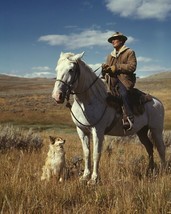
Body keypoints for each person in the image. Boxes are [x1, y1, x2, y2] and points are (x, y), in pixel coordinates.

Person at [102, 32, 137, 131]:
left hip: (124, 80)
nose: (113, 41)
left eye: (115, 39)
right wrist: (105, 69)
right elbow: (107, 70)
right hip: (111, 80)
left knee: (123, 93)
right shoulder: (110, 55)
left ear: (121, 40)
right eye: (112, 40)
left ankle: (129, 117)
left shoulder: (129, 52)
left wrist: (117, 67)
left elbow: (132, 67)